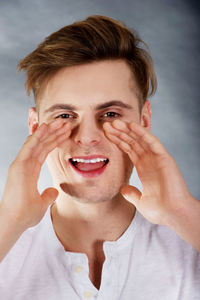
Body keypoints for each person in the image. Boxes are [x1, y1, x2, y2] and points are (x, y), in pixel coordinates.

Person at [0, 15, 199, 300]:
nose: (87, 137)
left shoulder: (191, 237)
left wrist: (183, 212)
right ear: (35, 127)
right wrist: (9, 220)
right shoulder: (6, 240)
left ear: (144, 121)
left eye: (110, 114)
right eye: (65, 116)